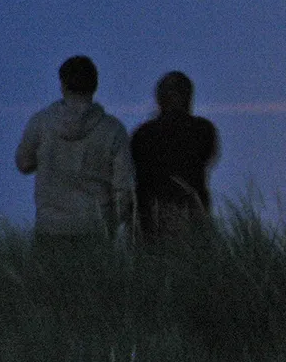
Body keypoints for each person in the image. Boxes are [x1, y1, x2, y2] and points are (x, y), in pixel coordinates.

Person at [15, 55, 135, 249]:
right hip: (97, 230)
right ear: (95, 85)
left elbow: (23, 163)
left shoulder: (41, 123)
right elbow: (124, 186)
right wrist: (113, 223)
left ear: (62, 85)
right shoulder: (113, 130)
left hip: (50, 228)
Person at [130, 71, 220, 243]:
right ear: (189, 98)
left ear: (159, 99)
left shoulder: (142, 134)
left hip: (149, 221)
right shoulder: (204, 130)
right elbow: (210, 157)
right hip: (192, 217)